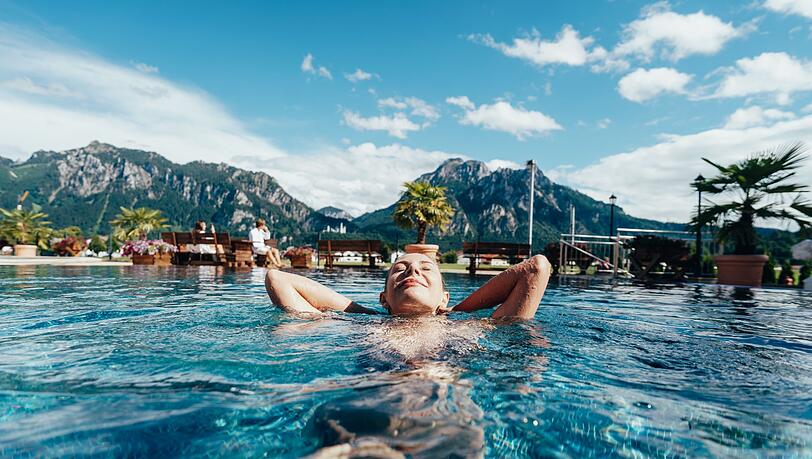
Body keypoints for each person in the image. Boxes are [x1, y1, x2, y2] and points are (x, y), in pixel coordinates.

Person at [265, 252, 551, 319]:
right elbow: (278, 278)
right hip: (372, 416)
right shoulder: (361, 326)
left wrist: (451, 311)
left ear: (444, 296)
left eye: (426, 269)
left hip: (445, 422)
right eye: (399, 269)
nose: (413, 269)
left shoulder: (469, 327)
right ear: (384, 298)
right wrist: (365, 312)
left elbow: (537, 268)